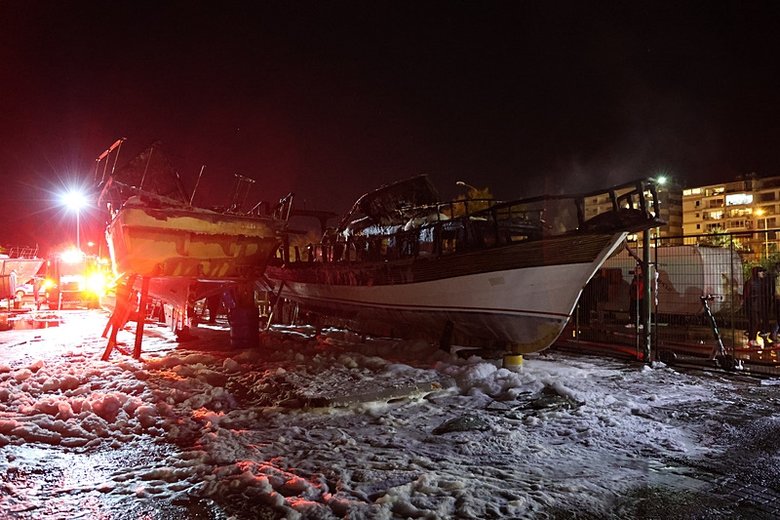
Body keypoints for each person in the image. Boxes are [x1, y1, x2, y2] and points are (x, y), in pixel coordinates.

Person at [744, 266, 773, 347]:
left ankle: (752, 339)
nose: (762, 273)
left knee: (755, 322)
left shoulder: (760, 282)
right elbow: (747, 295)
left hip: (758, 305)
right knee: (755, 322)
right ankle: (752, 339)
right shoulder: (751, 282)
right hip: (753, 305)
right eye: (761, 272)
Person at [626, 264, 644, 328]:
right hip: (634, 296)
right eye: (636, 268)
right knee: (632, 310)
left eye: (638, 268)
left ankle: (641, 323)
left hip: (640, 297)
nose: (636, 270)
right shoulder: (635, 278)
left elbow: (641, 288)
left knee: (641, 310)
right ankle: (632, 322)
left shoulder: (642, 278)